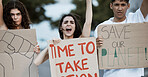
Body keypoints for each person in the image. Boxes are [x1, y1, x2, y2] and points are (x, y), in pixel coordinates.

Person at [94, 0, 148, 77]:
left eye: (123, 5)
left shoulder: (135, 19)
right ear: (111, 6)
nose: (120, 8)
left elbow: (145, 4)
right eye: (116, 5)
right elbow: (94, 59)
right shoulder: (102, 28)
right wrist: (95, 47)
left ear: (128, 6)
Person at [34, 0, 92, 66]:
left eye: (72, 22)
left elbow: (88, 22)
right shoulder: (57, 48)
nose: (68, 24)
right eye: (66, 22)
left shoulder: (80, 43)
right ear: (61, 28)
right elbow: (36, 62)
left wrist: (89, 1)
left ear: (75, 27)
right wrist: (49, 46)